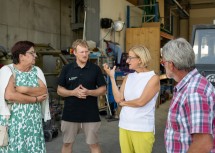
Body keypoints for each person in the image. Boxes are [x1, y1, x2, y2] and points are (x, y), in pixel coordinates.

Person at [103, 45, 160, 153]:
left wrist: (123, 103)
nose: (127, 61)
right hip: (124, 125)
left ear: (140, 60)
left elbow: (141, 102)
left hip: (142, 128)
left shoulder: (153, 78)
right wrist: (112, 77)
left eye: (130, 58)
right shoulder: (129, 77)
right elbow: (118, 98)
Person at [162, 38, 215, 153]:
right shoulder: (190, 85)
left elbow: (203, 144)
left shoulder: (193, 93)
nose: (163, 66)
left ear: (171, 65)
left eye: (163, 62)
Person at [0, 41, 50, 153]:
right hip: (14, 122)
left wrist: (24, 89)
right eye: (32, 53)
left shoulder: (36, 71)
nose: (35, 55)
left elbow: (43, 90)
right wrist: (35, 99)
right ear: (21, 56)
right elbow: (10, 95)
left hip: (34, 122)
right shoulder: (7, 70)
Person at [57, 39, 106, 153]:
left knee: (94, 144)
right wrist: (73, 93)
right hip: (70, 113)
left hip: (90, 113)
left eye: (86, 51)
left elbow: (103, 89)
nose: (85, 54)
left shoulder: (95, 69)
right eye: (82, 52)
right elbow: (59, 90)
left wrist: (89, 92)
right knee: (67, 143)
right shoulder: (67, 69)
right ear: (74, 52)